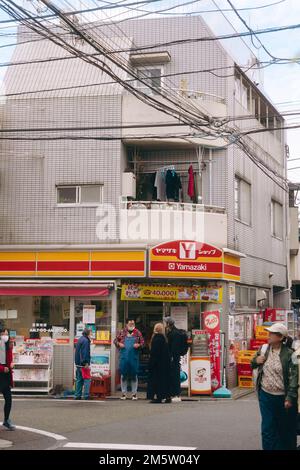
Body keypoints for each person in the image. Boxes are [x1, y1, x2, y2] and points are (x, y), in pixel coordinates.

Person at [251, 323, 298, 450]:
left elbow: (294, 377)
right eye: (269, 332)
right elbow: (252, 364)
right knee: (267, 428)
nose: (269, 335)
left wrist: (290, 397)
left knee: (283, 430)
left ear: (280, 337)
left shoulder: (290, 354)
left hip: (283, 398)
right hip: (265, 396)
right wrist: (256, 360)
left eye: (272, 333)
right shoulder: (263, 349)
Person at [114, 319, 144, 400]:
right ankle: (124, 394)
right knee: (124, 375)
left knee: (134, 375)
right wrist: (119, 343)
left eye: (133, 323)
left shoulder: (138, 332)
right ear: (126, 324)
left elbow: (143, 343)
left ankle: (134, 394)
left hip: (134, 358)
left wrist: (139, 345)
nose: (132, 324)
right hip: (124, 358)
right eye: (130, 323)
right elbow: (115, 341)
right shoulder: (121, 332)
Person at [147, 323, 171, 404]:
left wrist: (151, 364)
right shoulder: (164, 338)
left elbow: (154, 353)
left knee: (157, 381)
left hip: (157, 364)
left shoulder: (156, 339)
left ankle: (159, 397)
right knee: (165, 381)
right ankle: (167, 396)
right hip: (165, 364)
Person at [164, 317, 183, 403]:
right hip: (175, 358)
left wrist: (171, 357)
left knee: (174, 376)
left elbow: (174, 348)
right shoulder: (175, 332)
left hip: (173, 358)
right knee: (174, 376)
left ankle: (176, 394)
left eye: (166, 323)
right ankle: (175, 394)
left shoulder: (173, 333)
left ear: (168, 324)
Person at [0, 326, 15, 430]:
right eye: (3, 334)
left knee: (8, 398)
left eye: (6, 334)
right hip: (1, 373)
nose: (5, 336)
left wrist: (11, 365)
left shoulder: (8, 345)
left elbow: (9, 359)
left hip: (6, 376)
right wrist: (2, 368)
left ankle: (6, 420)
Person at [74, 328, 91, 400]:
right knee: (87, 379)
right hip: (83, 364)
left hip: (78, 363)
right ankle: (86, 395)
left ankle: (77, 395)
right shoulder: (86, 341)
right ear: (88, 334)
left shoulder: (80, 339)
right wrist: (86, 363)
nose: (91, 335)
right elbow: (85, 352)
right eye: (91, 333)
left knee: (79, 380)